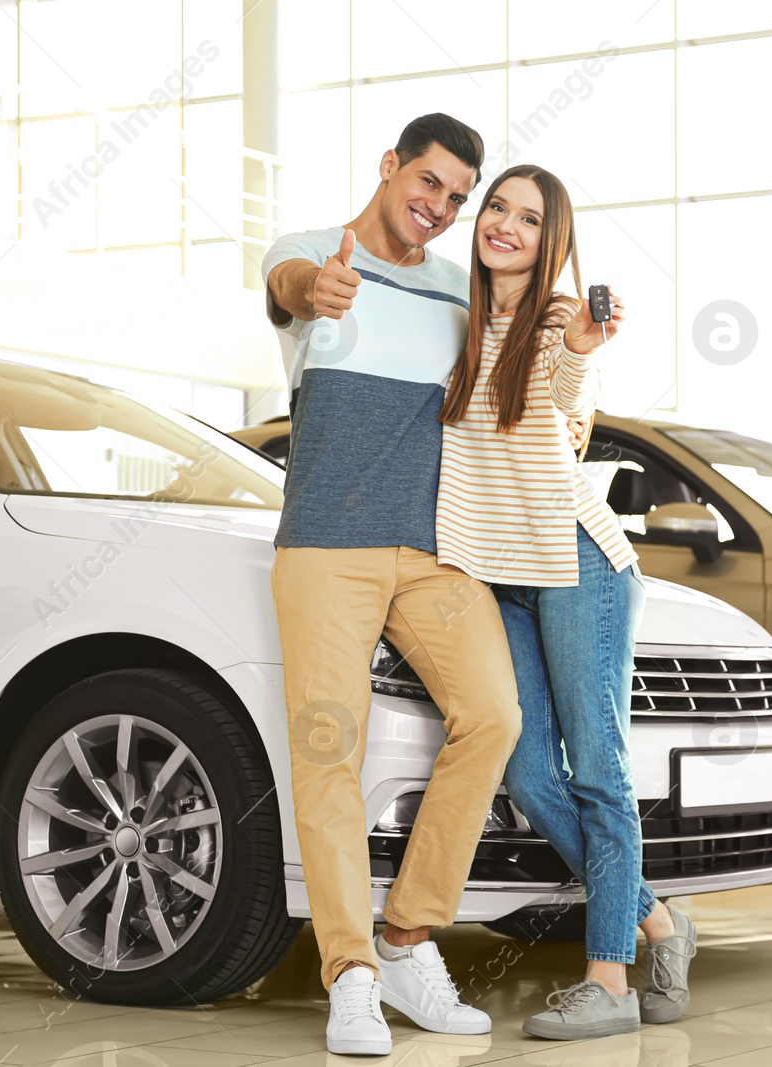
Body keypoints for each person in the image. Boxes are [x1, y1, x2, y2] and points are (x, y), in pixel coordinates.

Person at [261, 113, 519, 1056]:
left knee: (493, 714)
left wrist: (576, 340)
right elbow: (292, 287)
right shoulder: (307, 255)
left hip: (432, 550)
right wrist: (320, 288)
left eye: (457, 198)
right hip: (326, 545)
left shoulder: (460, 291)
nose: (441, 208)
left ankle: (408, 937)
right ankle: (352, 976)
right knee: (331, 748)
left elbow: (517, 380)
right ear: (389, 166)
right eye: (430, 184)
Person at [435, 164, 698, 1040]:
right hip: (498, 570)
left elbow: (565, 402)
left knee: (597, 768)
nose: (505, 224)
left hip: (578, 557)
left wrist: (583, 347)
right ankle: (659, 920)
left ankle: (609, 980)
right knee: (526, 769)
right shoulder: (461, 321)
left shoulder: (553, 319)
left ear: (553, 239)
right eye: (496, 208)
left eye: (529, 217)